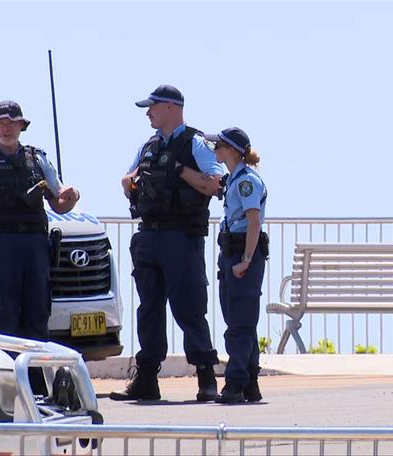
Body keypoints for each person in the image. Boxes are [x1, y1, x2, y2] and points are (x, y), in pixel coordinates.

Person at [111, 85, 225, 402]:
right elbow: (127, 178)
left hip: (181, 236)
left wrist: (177, 170)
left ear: (170, 108)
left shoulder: (196, 142)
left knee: (189, 307)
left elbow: (215, 182)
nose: (148, 112)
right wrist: (130, 183)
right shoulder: (149, 145)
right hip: (148, 234)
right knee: (148, 308)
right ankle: (146, 379)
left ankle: (206, 378)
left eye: (152, 107)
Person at [0, 100, 80, 341]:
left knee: (37, 313)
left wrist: (72, 196)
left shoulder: (37, 158)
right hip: (0, 246)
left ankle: (35, 376)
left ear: (21, 125)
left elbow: (59, 203)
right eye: (0, 123)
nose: (6, 128)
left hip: (35, 248)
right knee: (4, 316)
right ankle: (6, 375)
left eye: (11, 123)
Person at [207, 127, 268, 404]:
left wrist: (245, 260)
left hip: (243, 253)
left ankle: (234, 384)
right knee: (237, 319)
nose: (214, 149)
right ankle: (250, 383)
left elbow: (253, 221)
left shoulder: (246, 181)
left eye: (218, 145)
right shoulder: (234, 179)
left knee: (240, 324)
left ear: (231, 149)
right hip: (231, 251)